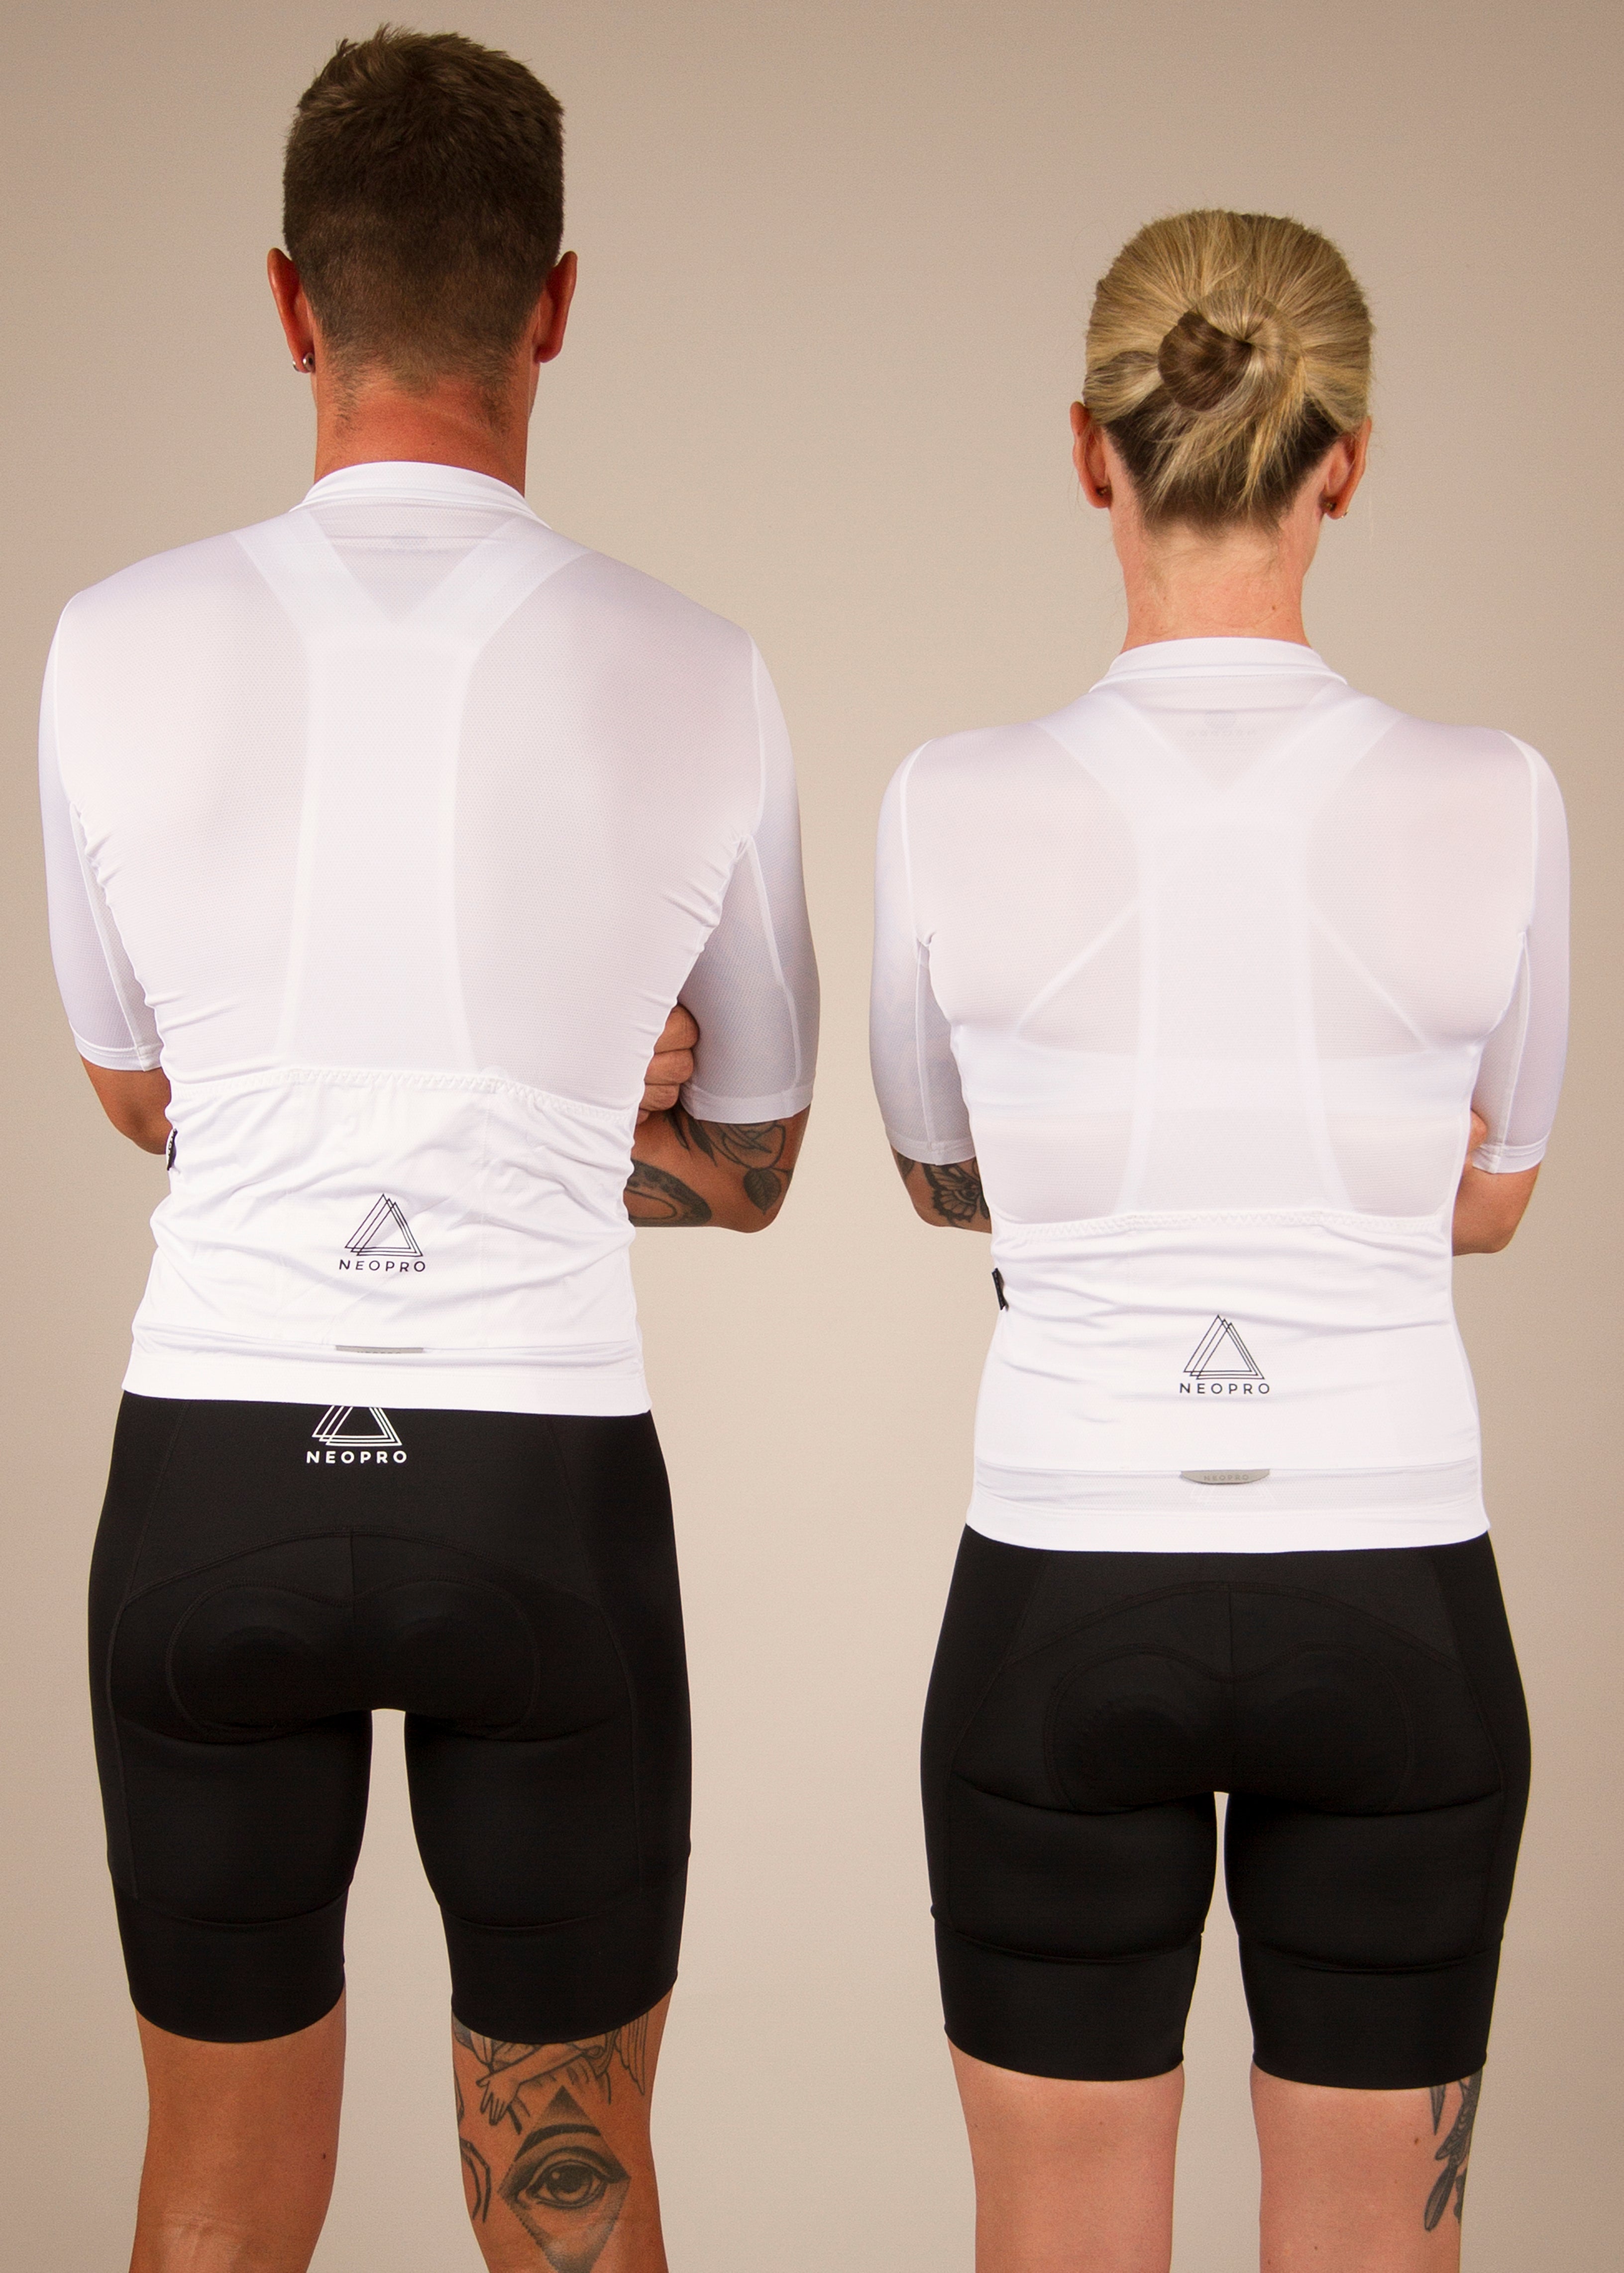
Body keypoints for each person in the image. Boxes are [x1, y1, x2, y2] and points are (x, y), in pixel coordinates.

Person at [40, 29, 817, 2273]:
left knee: (213, 2195)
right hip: (535, 1490)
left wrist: (328, 1096)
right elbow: (758, 1159)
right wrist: (588, 1107)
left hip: (210, 1479)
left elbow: (145, 1094)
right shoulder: (701, 667)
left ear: (293, 300)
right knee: (570, 2198)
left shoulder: (108, 644)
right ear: (554, 303)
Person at [871, 209, 1565, 2273]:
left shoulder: (947, 798)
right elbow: (1494, 1194)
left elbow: (945, 1173)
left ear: (1091, 449)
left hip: (1066, 1584)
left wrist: (1101, 1167)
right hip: (1396, 1592)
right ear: (1344, 460)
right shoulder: (1502, 795)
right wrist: (1357, 1165)